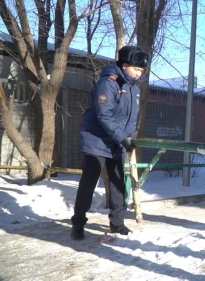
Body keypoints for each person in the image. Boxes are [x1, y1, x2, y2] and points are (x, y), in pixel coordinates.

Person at [70, 46, 150, 240]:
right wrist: (123, 137)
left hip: (117, 142)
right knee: (88, 184)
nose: (139, 74)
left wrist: (128, 140)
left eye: (141, 71)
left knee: (117, 184)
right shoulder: (108, 83)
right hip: (97, 140)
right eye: (136, 70)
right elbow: (104, 115)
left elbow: (131, 119)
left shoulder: (133, 88)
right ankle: (78, 224)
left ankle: (117, 224)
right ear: (125, 65)